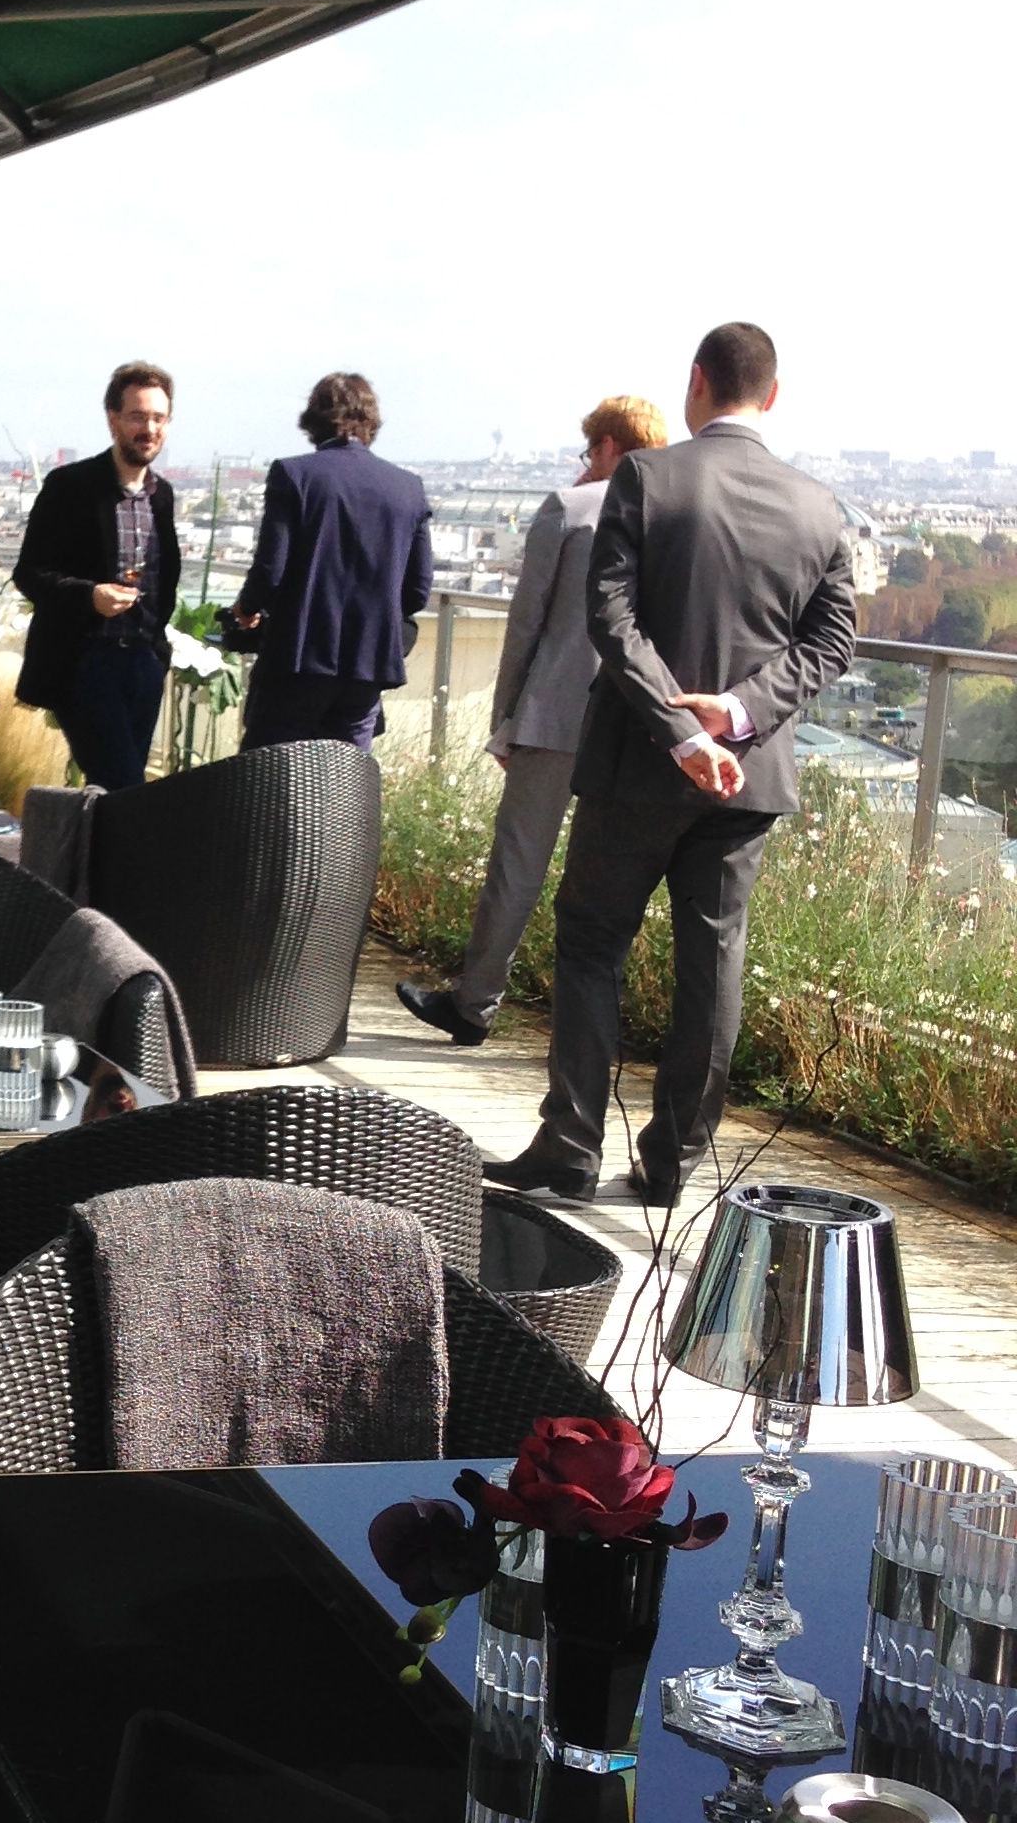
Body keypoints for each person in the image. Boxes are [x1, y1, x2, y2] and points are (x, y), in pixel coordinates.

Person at [485, 322, 856, 1207]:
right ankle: (671, 1163)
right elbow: (833, 641)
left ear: (696, 381)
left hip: (637, 768)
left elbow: (610, 618)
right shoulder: (820, 507)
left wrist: (680, 728)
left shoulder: (648, 478)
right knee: (713, 963)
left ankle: (571, 1145)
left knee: (592, 943)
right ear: (772, 395)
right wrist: (739, 713)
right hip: (748, 776)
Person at [396, 392, 668, 1046]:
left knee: (518, 866)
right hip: (634, 723)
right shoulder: (673, 518)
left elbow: (527, 624)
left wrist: (506, 717)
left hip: (553, 715)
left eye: (589, 448)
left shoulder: (569, 509)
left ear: (607, 446)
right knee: (611, 882)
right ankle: (593, 1027)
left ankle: (475, 1005)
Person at [231, 373, 431, 748]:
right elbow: (417, 591)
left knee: (270, 775)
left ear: (313, 421)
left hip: (297, 660)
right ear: (371, 422)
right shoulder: (408, 488)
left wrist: (247, 608)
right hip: (367, 666)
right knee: (346, 776)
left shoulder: (294, 474)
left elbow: (271, 570)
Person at [12, 362, 180, 787]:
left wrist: (157, 655)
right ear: (113, 420)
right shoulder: (71, 487)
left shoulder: (162, 495)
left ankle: (90, 836)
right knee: (125, 785)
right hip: (86, 662)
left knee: (111, 793)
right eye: (138, 416)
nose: (149, 428)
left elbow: (165, 580)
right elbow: (29, 573)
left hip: (143, 661)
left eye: (158, 418)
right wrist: (89, 596)